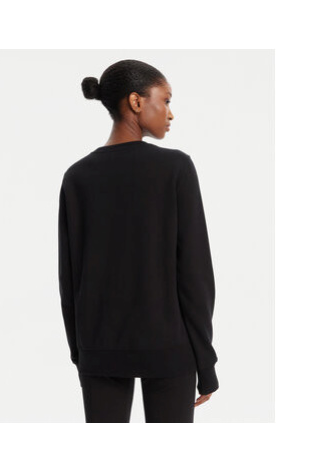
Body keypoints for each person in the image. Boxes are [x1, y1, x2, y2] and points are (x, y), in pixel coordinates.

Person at [58, 59, 219, 423]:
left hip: (99, 350)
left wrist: (81, 355)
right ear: (135, 102)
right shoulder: (176, 168)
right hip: (171, 349)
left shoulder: (77, 177)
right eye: (166, 100)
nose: (170, 113)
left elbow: (70, 278)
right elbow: (195, 274)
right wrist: (205, 362)